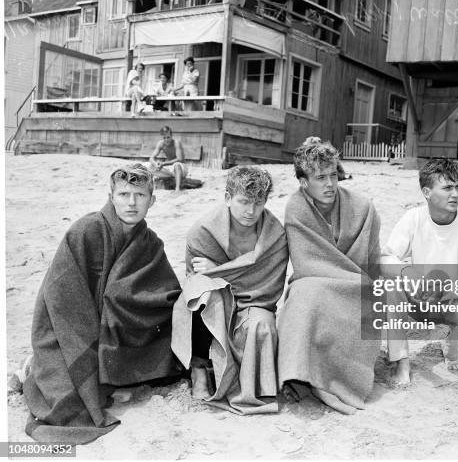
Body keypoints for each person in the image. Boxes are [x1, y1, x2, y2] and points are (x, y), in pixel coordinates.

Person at [23, 164, 182, 444]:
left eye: (140, 195)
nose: (131, 202)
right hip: (71, 331)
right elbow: (59, 297)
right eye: (123, 194)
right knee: (67, 403)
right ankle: (32, 368)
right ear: (111, 196)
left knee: (170, 347)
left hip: (119, 333)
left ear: (152, 201)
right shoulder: (85, 230)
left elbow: (165, 295)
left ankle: (113, 376)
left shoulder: (151, 243)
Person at [171, 166, 288, 414]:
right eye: (243, 201)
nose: (250, 211)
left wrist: (220, 270)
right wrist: (218, 277)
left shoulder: (275, 234)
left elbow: (270, 285)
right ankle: (199, 369)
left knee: (263, 324)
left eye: (258, 203)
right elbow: (194, 283)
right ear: (227, 198)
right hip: (219, 302)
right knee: (203, 294)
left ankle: (253, 383)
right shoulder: (203, 232)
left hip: (255, 302)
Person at [277, 141, 381, 414]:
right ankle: (309, 380)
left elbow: (371, 259)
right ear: (303, 182)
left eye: (333, 175)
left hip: (355, 281)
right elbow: (306, 262)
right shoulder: (296, 208)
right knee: (305, 298)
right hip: (313, 278)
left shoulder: (363, 207)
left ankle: (334, 383)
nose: (329, 184)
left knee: (370, 295)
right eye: (320, 177)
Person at [381, 158, 458, 383]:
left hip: (451, 300)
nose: (455, 194)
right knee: (392, 285)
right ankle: (401, 361)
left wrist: (444, 292)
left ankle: (453, 340)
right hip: (419, 298)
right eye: (447, 187)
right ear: (427, 192)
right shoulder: (414, 218)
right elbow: (385, 257)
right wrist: (407, 272)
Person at [149, 126, 187, 192]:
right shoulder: (161, 143)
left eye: (168, 137)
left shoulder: (176, 143)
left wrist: (164, 163)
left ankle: (177, 189)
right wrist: (156, 164)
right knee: (148, 165)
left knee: (177, 165)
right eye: (164, 138)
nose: (166, 140)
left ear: (172, 136)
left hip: (181, 168)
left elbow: (180, 159)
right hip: (170, 168)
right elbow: (151, 158)